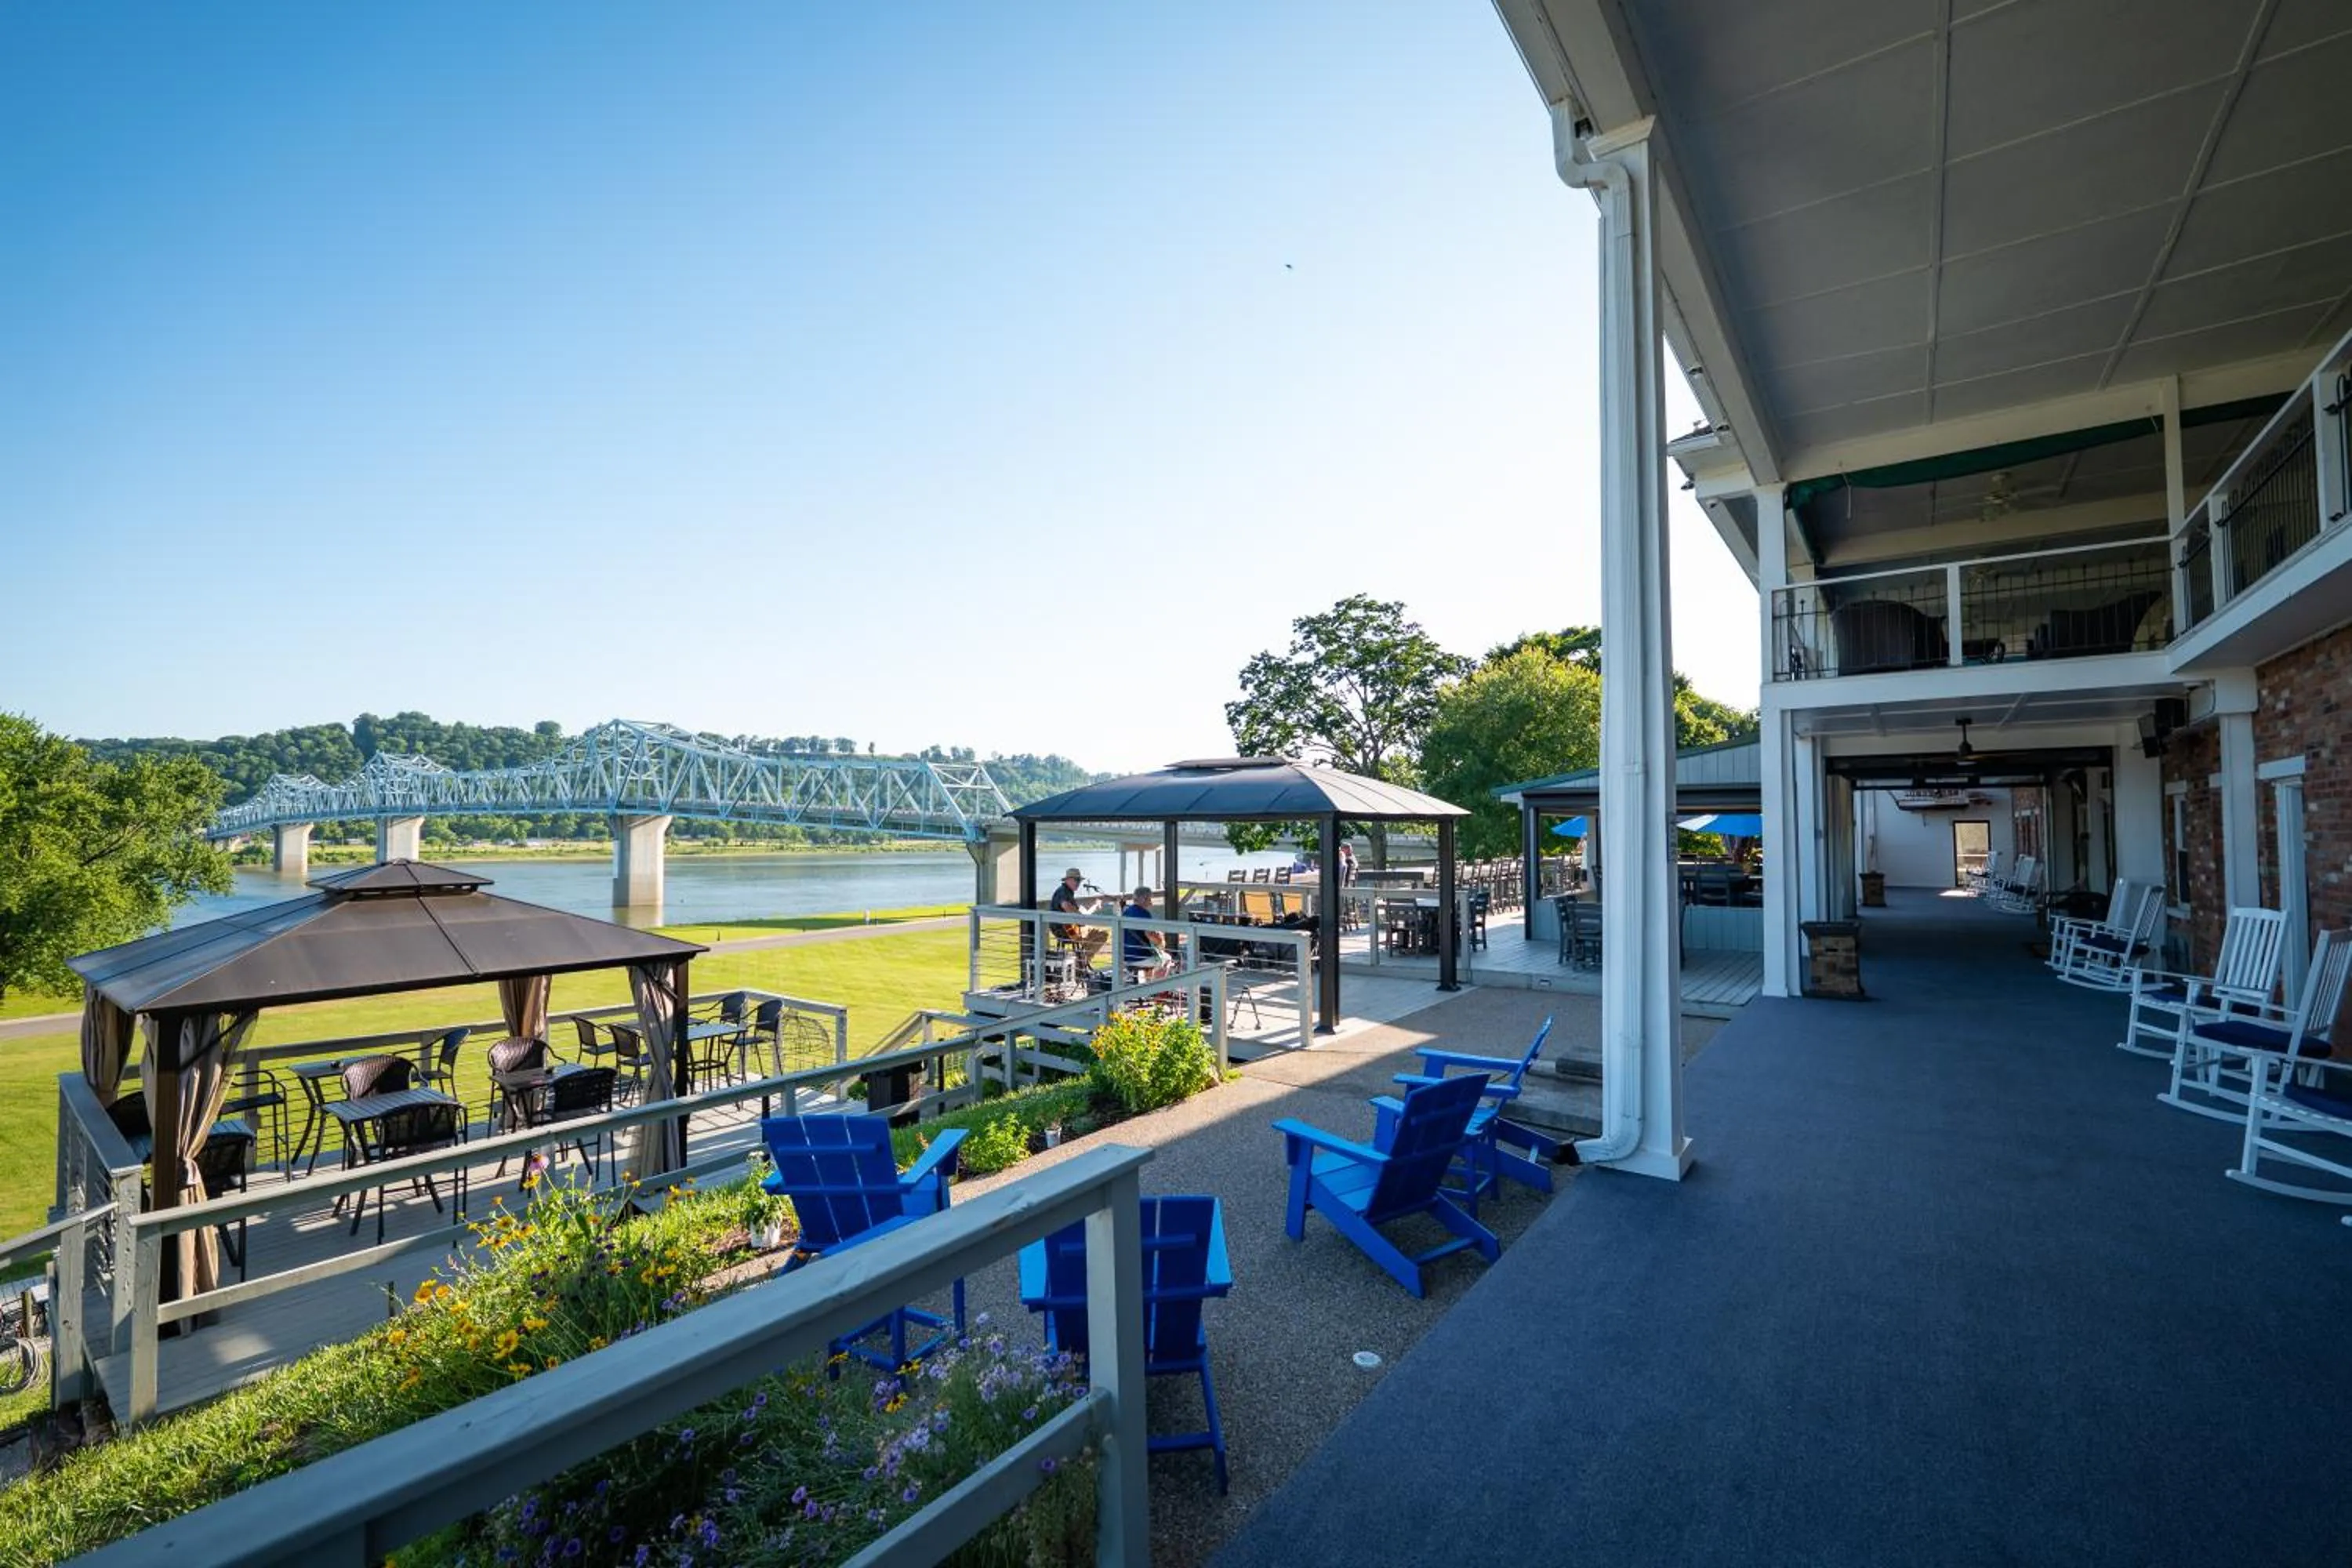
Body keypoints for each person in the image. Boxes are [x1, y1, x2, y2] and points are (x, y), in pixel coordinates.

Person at [1050, 868, 1108, 976]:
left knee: (1094, 936)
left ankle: (1080, 964)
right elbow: (1066, 906)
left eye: (1079, 880)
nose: (1078, 883)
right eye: (1076, 880)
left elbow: (1073, 911)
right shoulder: (1063, 891)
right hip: (1066, 930)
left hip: (1068, 928)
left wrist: (1084, 915)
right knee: (1101, 935)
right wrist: (1080, 918)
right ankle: (1080, 966)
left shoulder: (1067, 892)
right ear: (1068, 880)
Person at [1121, 885, 1174, 979]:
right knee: (1167, 959)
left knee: (1151, 961)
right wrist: (1161, 941)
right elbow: (1150, 934)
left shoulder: (1126, 912)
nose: (1151, 903)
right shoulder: (1144, 914)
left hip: (1125, 956)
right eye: (1150, 899)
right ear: (1144, 899)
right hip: (1140, 958)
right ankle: (1156, 986)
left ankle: (1148, 984)